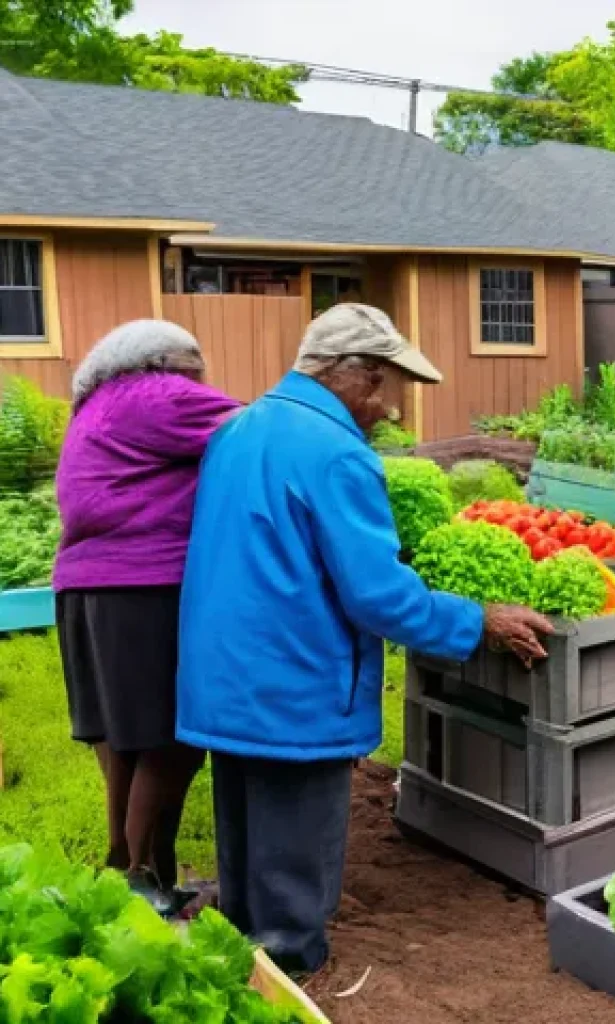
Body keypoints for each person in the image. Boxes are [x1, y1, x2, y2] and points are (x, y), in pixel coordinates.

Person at [175, 303, 554, 978]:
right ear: (355, 375)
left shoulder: (239, 430)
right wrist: (479, 620)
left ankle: (235, 956)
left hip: (225, 676)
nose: (390, 408)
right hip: (294, 682)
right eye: (386, 386)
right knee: (294, 875)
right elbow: (377, 595)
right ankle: (289, 976)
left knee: (245, 831)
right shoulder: (338, 454)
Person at [53, 319, 242, 913]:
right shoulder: (159, 394)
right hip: (142, 585)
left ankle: (141, 869)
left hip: (85, 589)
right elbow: (263, 434)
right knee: (173, 738)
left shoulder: (99, 406)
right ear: (174, 362)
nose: (203, 382)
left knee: (123, 741)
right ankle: (135, 874)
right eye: (198, 370)